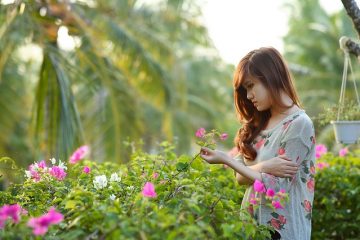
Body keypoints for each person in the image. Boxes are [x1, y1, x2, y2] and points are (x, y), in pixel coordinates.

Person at [200, 47, 316, 240]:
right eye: (245, 89)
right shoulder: (258, 124)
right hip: (252, 229)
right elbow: (240, 177)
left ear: (271, 77)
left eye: (251, 85)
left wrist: (227, 160)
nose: (248, 96)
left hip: (283, 233)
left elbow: (277, 189)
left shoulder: (299, 125)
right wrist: (265, 166)